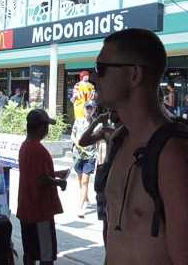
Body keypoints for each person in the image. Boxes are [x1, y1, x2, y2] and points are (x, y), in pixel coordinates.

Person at [96, 28, 188, 265]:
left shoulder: (176, 154)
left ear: (134, 75)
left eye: (102, 69)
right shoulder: (119, 140)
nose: (96, 79)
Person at [17, 108, 69, 265]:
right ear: (41, 128)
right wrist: (59, 182)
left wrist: (55, 174)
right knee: (46, 255)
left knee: (30, 253)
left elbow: (33, 174)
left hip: (26, 208)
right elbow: (41, 180)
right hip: (40, 211)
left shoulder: (25, 146)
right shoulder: (37, 149)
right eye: (46, 127)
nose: (47, 130)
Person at [78, 109, 121, 242]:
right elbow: (83, 141)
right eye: (109, 110)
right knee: (106, 223)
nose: (110, 112)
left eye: (113, 109)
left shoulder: (131, 130)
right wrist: (95, 122)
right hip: (107, 179)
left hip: (120, 181)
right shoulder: (106, 131)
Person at [70, 101, 98, 218]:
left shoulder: (96, 124)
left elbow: (98, 140)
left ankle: (80, 207)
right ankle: (86, 198)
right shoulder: (78, 121)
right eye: (87, 108)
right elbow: (73, 134)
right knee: (80, 180)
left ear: (94, 110)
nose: (89, 110)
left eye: (91, 108)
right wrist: (77, 143)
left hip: (90, 156)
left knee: (85, 181)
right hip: (78, 155)